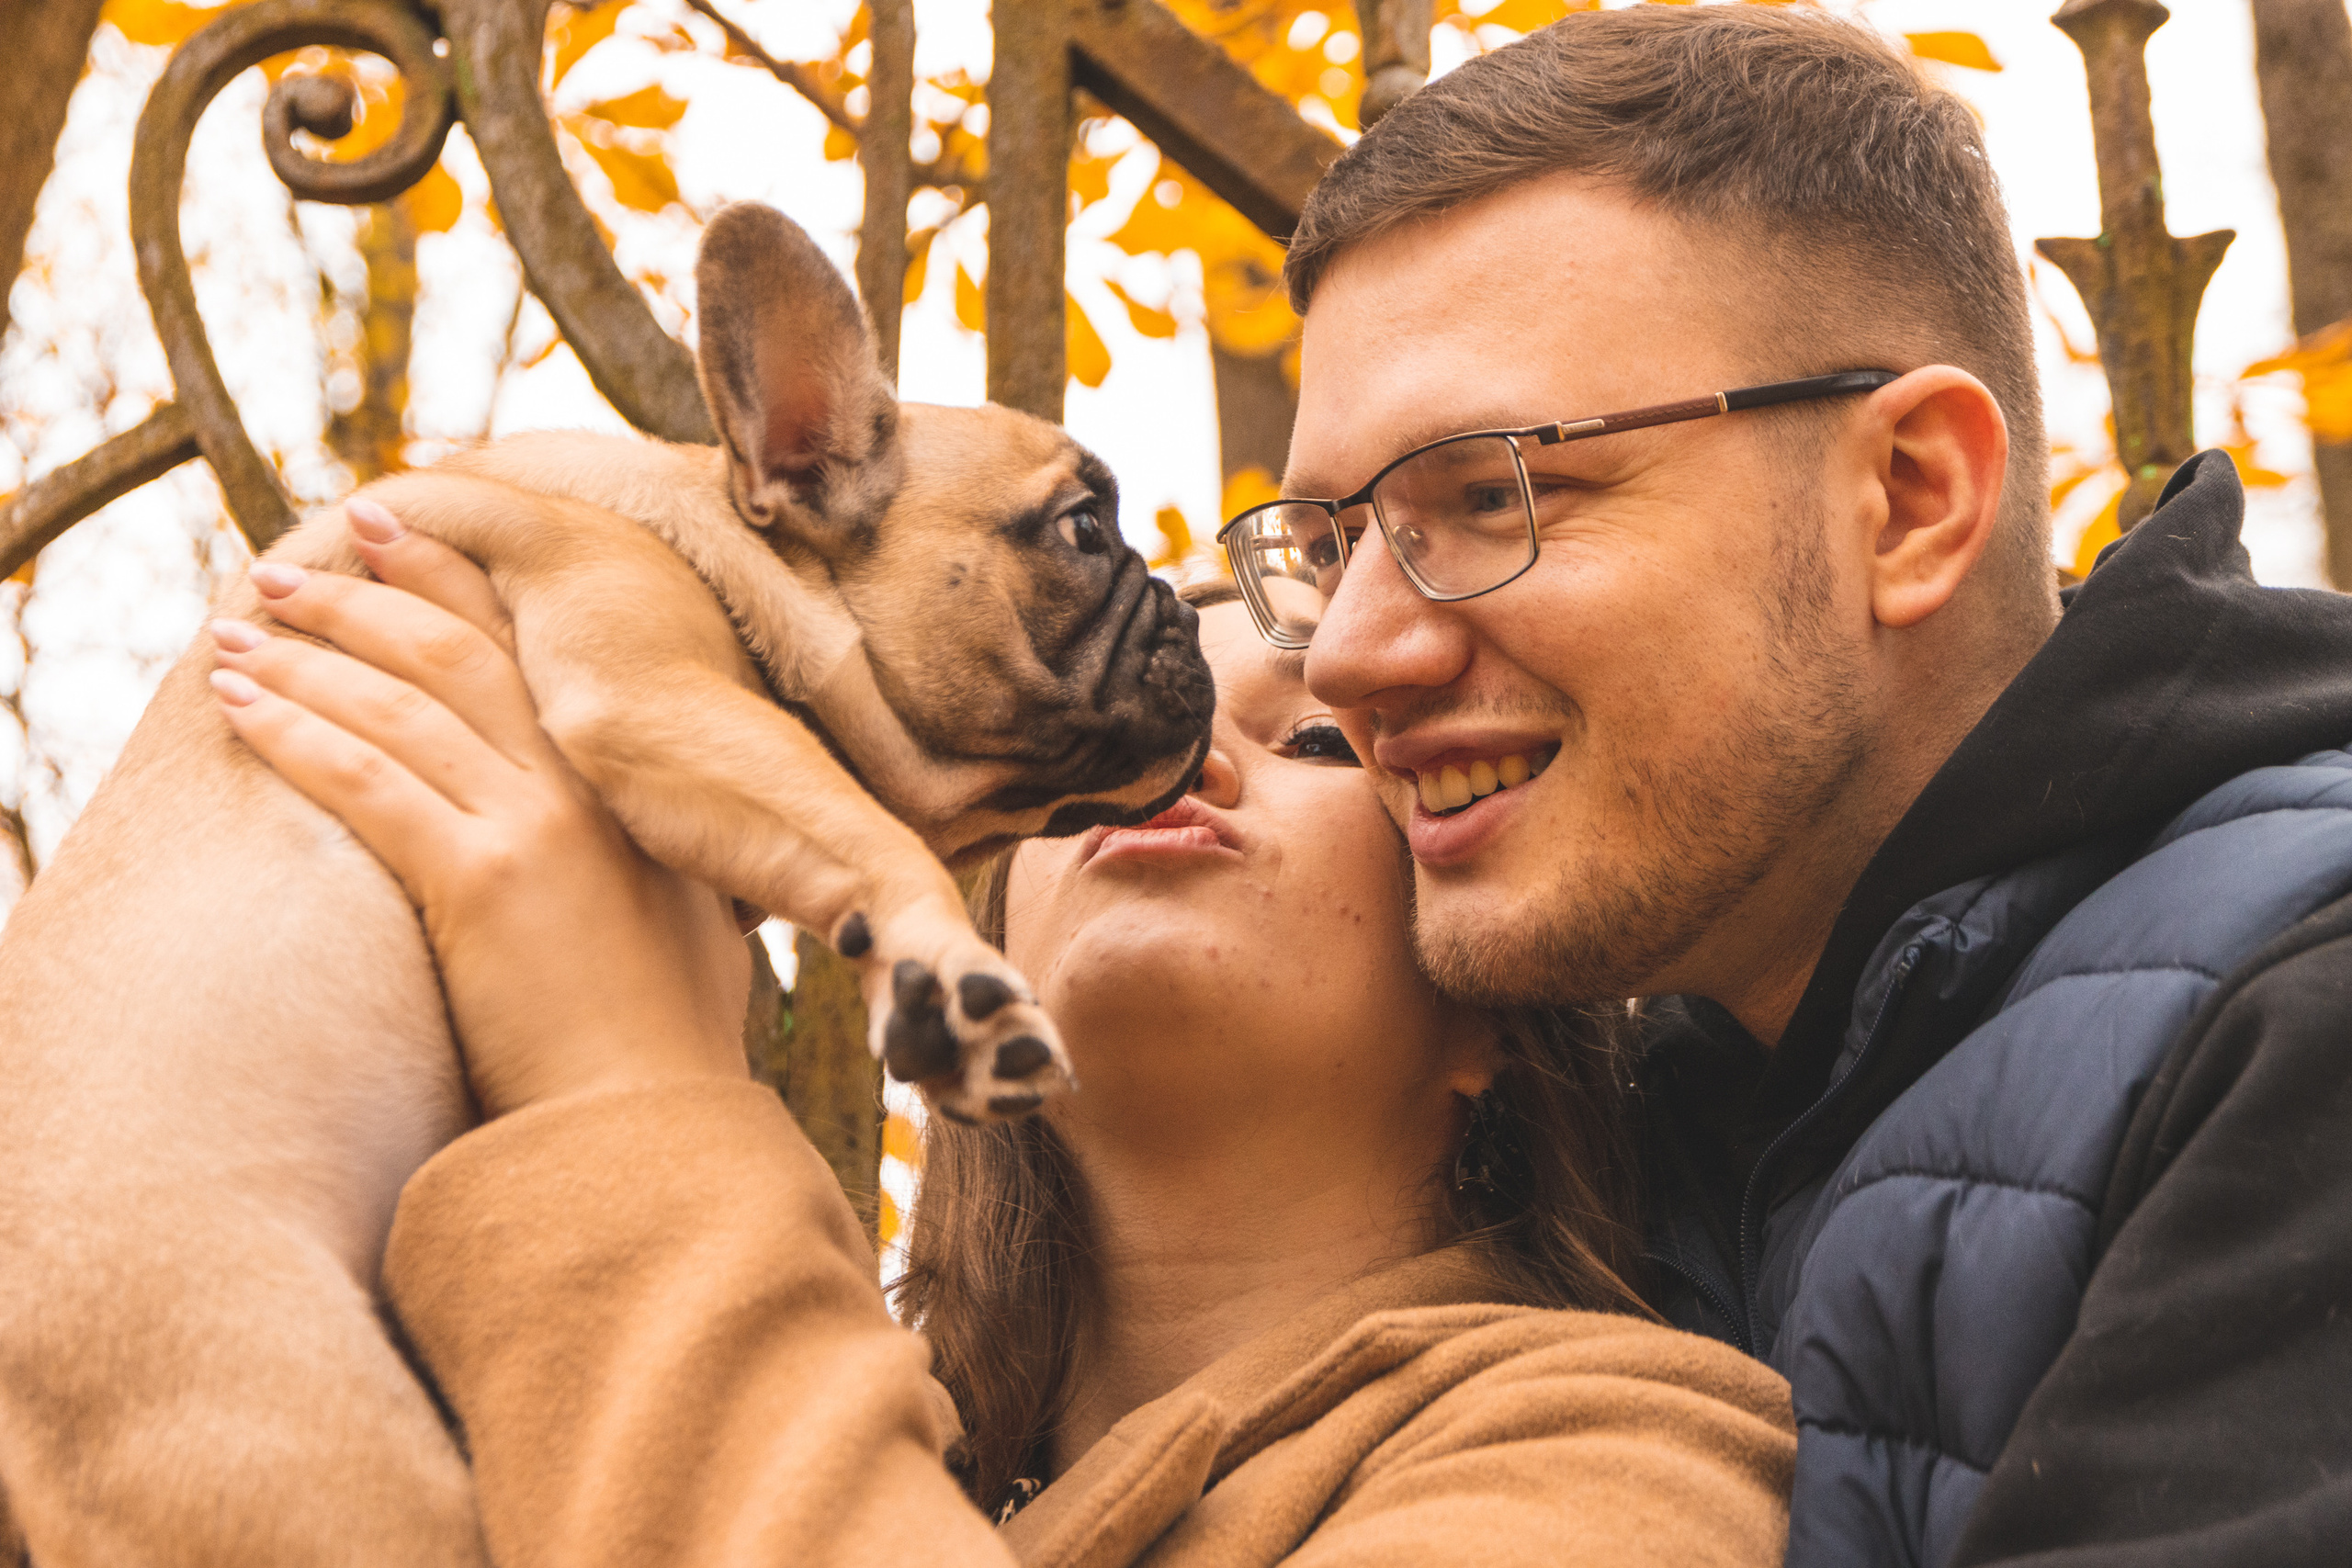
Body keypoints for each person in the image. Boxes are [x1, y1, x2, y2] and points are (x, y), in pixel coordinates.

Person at [1218, 7, 2352, 1565]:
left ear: (1909, 499)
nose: (1348, 656)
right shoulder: (1621, 1144)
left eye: (1490, 493)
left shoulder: (2298, 1021)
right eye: (1332, 544)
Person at [208, 542, 1796, 1563]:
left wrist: (623, 1086)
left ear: (1497, 1011)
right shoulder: (882, 1426)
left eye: (1315, 739)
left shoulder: (1633, 1454)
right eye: (1099, 741)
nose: (1176, 763)